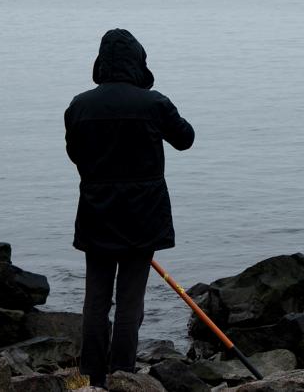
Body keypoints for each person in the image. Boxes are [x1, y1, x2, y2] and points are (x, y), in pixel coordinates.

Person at [64, 28, 194, 387]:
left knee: (96, 299)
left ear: (101, 62)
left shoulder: (80, 106)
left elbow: (75, 154)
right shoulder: (153, 104)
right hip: (143, 216)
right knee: (130, 300)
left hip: (97, 213)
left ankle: (92, 378)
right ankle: (123, 375)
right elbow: (185, 138)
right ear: (138, 61)